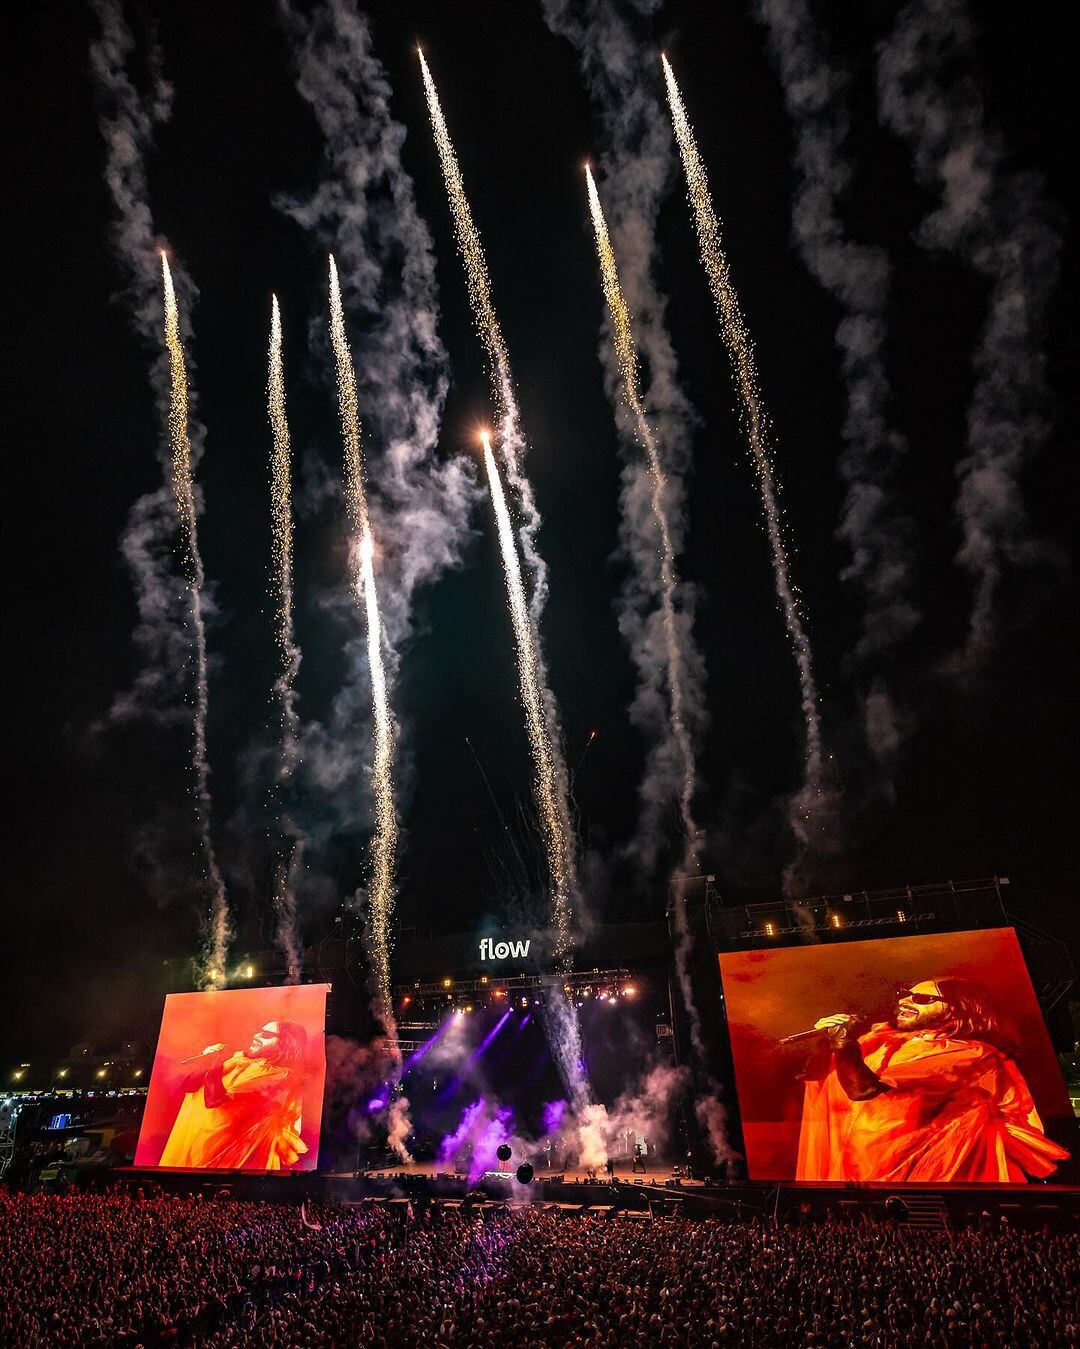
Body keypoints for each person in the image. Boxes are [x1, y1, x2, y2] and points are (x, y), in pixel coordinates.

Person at [795, 978, 1070, 1182]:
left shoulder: (969, 1054)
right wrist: (825, 1042)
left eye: (922, 999)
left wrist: (843, 1040)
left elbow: (862, 1089)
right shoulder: (883, 1041)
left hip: (916, 1171)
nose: (905, 1001)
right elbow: (819, 1078)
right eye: (907, 994)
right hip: (856, 1163)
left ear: (956, 1010)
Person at [158, 1021, 309, 1170]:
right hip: (198, 1144)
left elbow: (214, 1099)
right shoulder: (241, 1062)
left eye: (266, 1034)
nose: (257, 1035)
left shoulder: (280, 1076)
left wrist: (215, 1062)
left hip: (229, 1160)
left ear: (284, 1044)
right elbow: (190, 1086)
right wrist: (206, 1059)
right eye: (259, 1030)